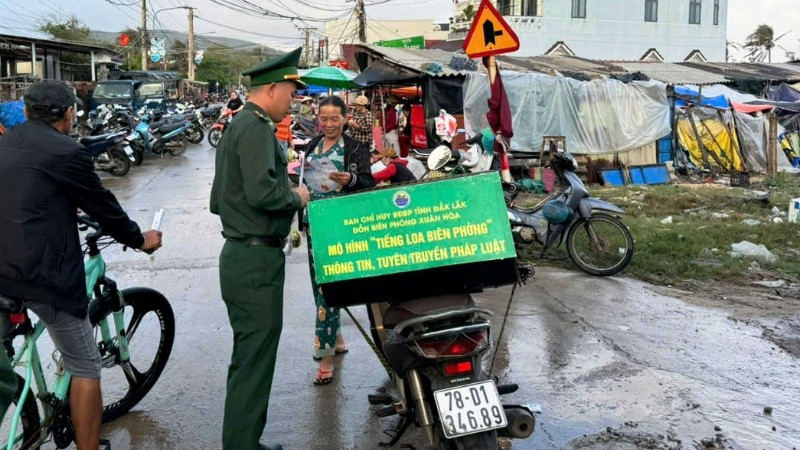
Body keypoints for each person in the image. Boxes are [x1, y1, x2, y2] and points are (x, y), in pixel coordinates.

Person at [0, 81, 163, 449]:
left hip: (3, 270)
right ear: (70, 115)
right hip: (41, 276)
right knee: (85, 366)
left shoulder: (5, 142)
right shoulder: (66, 152)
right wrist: (140, 239)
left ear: (26, 112)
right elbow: (102, 205)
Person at [209, 48, 311, 450]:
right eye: (290, 92)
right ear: (272, 88)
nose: (293, 100)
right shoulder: (254, 127)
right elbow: (263, 192)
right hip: (253, 260)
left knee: (249, 357)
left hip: (244, 255)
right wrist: (296, 197)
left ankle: (244, 441)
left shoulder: (241, 124)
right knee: (254, 361)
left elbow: (220, 200)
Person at [302, 95, 374, 385]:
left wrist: (351, 181)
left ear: (346, 119)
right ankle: (338, 338)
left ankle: (326, 356)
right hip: (314, 223)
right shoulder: (311, 145)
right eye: (324, 118)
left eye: (335, 119)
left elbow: (369, 182)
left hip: (340, 226)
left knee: (328, 290)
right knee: (317, 286)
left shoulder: (356, 148)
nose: (329, 124)